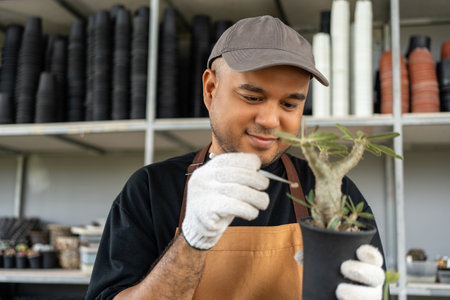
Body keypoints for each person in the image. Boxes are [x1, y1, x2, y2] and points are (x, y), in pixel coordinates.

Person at [86, 15, 386, 300]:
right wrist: (192, 239)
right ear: (210, 89)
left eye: (290, 104)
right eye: (253, 97)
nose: (270, 119)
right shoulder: (150, 190)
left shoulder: (333, 195)